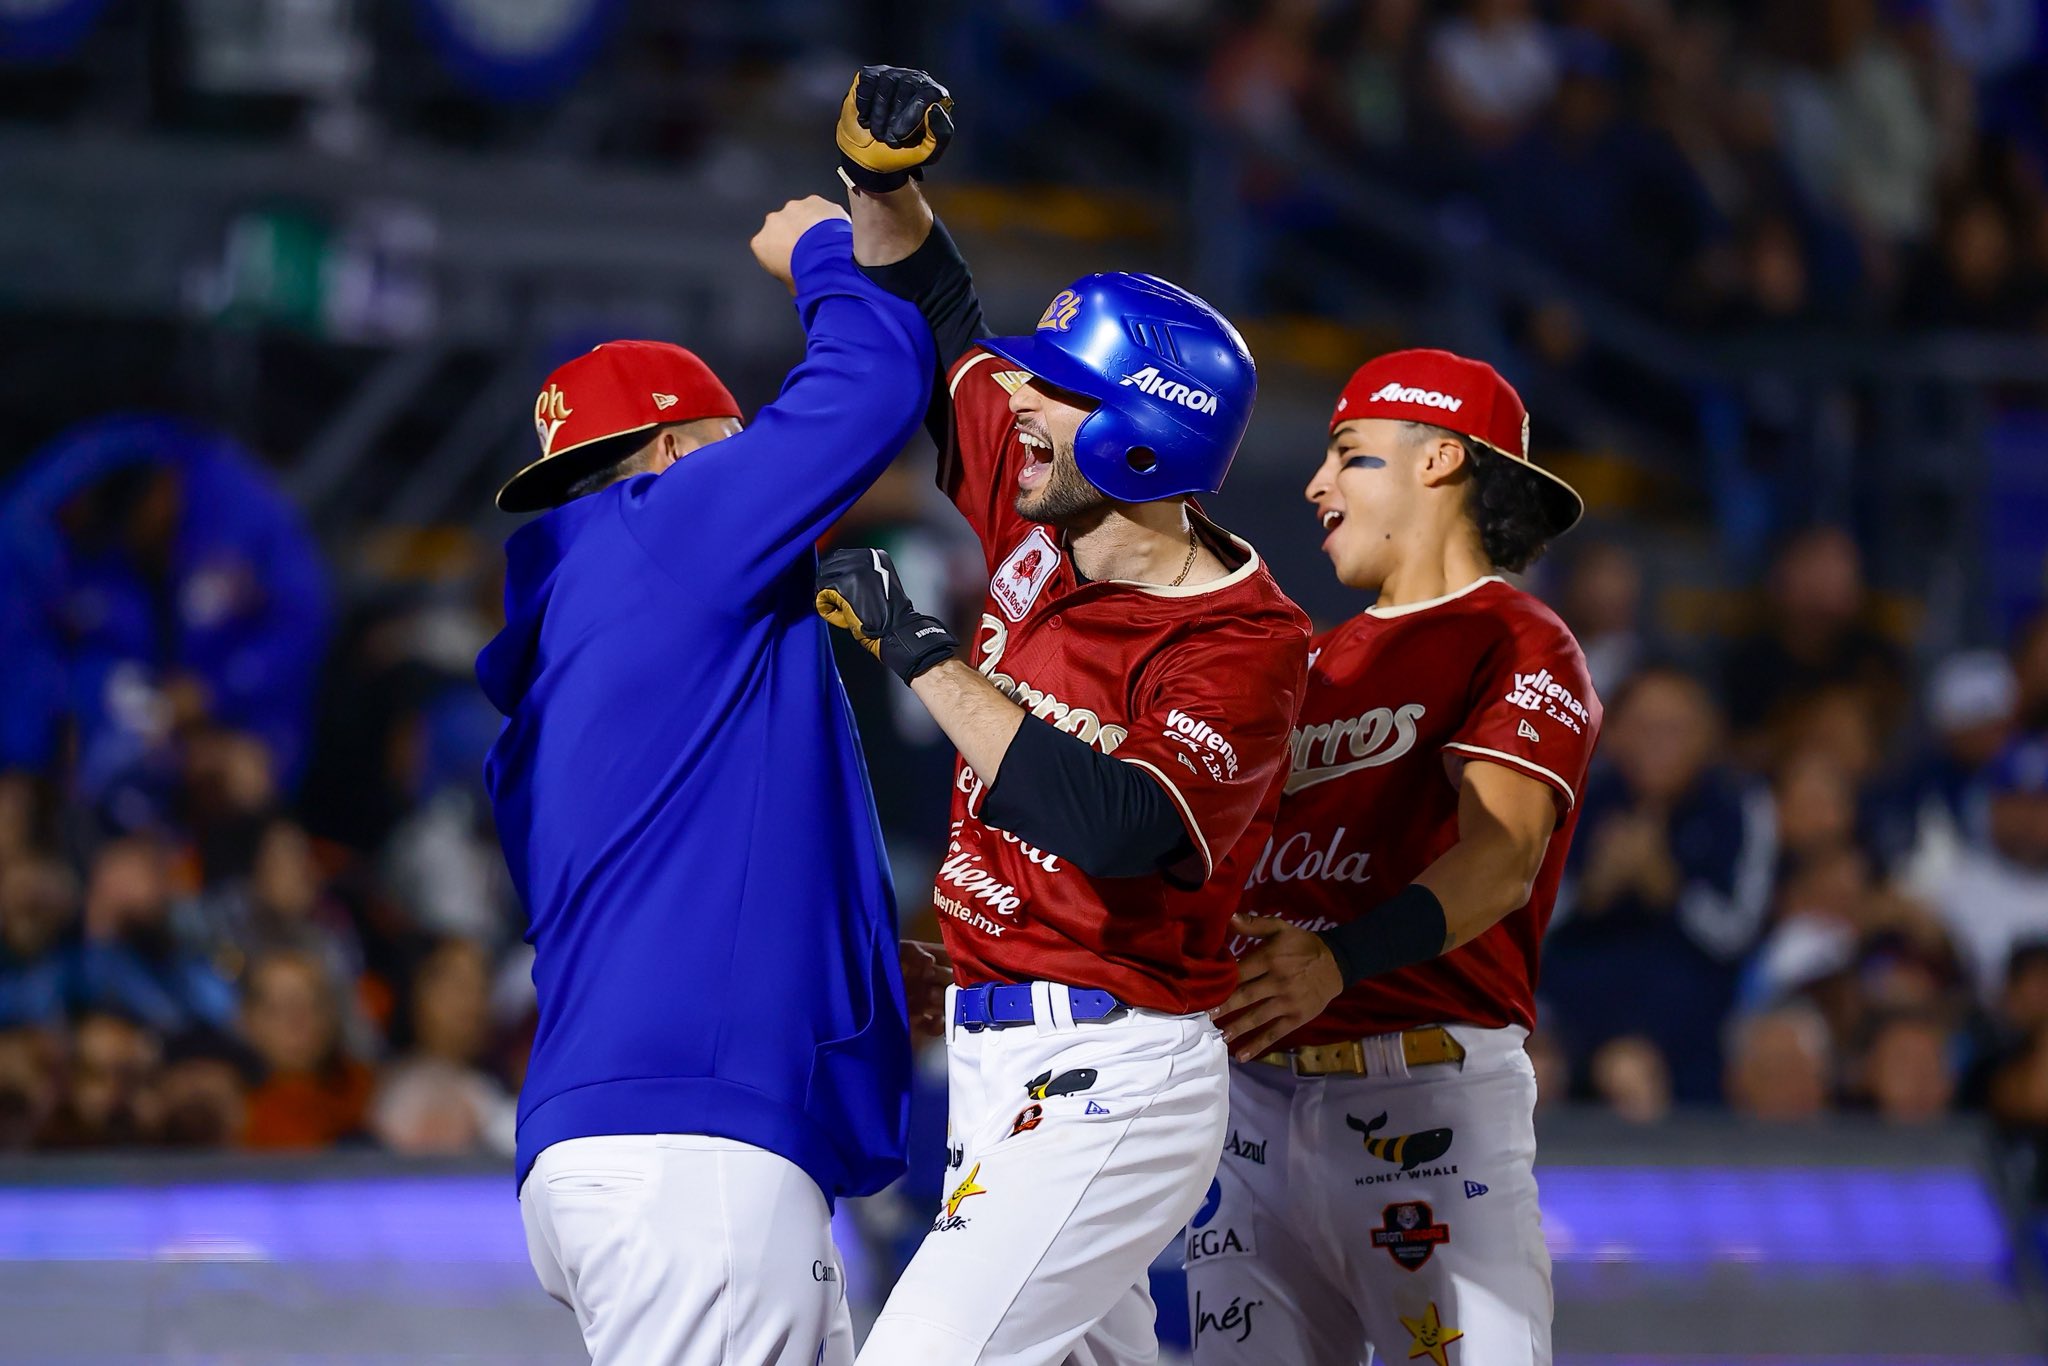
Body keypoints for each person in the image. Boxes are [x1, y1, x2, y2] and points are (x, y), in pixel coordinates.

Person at [821, 66, 1310, 1366]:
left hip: (1117, 1077)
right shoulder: (1042, 502)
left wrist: (918, 647)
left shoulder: (1243, 642)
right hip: (994, 1059)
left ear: (1147, 441)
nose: (1020, 400)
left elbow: (1113, 822)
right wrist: (882, 180)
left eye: (1061, 387)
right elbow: (940, 307)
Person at [475, 197, 935, 1365]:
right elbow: (878, 382)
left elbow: (713, 873)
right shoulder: (670, 524)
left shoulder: (569, 641)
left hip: (625, 1139)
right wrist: (824, 253)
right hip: (688, 1152)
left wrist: (866, 986)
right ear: (680, 452)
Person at [1194, 349, 1599, 1366]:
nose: (1314, 482)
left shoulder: (1516, 638)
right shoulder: (1306, 661)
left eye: (1348, 454)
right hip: (1246, 1110)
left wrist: (1336, 960)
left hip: (1424, 1110)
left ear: (1437, 462)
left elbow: (1499, 858)